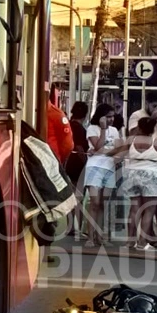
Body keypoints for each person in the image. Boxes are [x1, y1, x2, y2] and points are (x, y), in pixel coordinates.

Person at [110, 117, 157, 250]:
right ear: (153, 129)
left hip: (132, 175)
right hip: (151, 176)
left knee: (134, 209)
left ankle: (129, 242)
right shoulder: (156, 142)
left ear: (139, 127)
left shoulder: (131, 140)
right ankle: (142, 242)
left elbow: (117, 156)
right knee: (149, 210)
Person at [83, 104, 120, 248]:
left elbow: (117, 149)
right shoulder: (92, 128)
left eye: (112, 116)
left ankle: (99, 236)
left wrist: (103, 151)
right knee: (94, 202)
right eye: (108, 116)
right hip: (95, 168)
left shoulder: (115, 130)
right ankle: (90, 237)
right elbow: (98, 146)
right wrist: (103, 130)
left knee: (103, 204)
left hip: (109, 168)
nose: (111, 119)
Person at [65, 101, 90, 240]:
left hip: (68, 164)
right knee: (79, 198)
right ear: (85, 115)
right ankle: (77, 228)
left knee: (71, 197)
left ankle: (70, 226)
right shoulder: (79, 129)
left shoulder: (68, 125)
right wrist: (86, 162)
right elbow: (80, 148)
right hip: (78, 166)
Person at [46, 99, 74, 165]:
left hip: (51, 162)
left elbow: (67, 145)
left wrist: (59, 159)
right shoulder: (56, 114)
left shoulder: (57, 114)